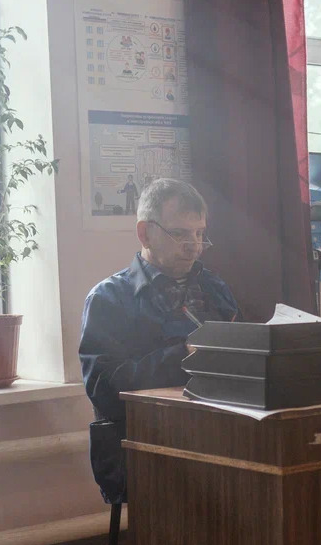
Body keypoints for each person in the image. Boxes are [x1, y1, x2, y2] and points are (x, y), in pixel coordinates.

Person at [79, 179, 238, 503]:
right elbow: (105, 390)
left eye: (199, 234)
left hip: (219, 436)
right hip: (144, 446)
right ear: (145, 233)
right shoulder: (109, 299)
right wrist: (185, 355)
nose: (194, 246)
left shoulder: (214, 289)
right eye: (180, 234)